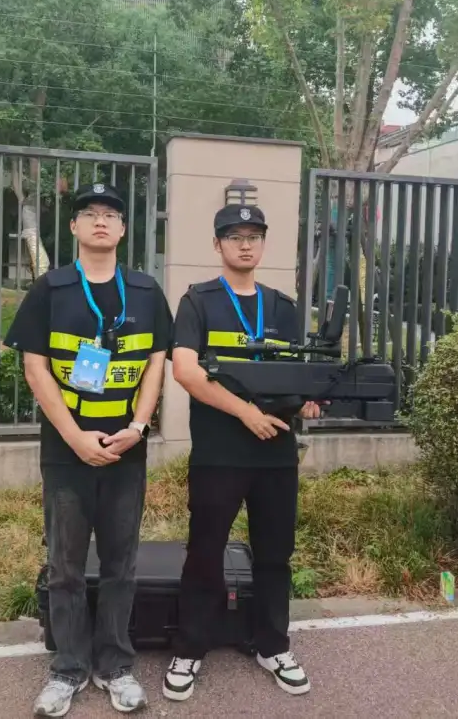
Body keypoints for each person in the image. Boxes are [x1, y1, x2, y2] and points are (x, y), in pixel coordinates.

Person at [4, 183, 172, 717]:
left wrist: (139, 427)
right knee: (66, 566)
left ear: (122, 229)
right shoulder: (50, 290)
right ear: (74, 227)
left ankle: (115, 666)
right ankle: (69, 669)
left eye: (111, 214)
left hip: (126, 449)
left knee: (122, 563)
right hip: (65, 451)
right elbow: (36, 369)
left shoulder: (146, 292)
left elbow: (156, 364)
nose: (101, 221)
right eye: (90, 213)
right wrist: (76, 437)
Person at [162, 204, 320, 703]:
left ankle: (273, 645)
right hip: (220, 453)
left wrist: (309, 400)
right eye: (234, 236)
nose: (245, 244)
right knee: (205, 552)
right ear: (218, 245)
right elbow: (186, 371)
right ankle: (190, 648)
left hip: (276, 455)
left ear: (263, 244)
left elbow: (295, 375)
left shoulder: (283, 307)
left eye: (254, 236)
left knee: (275, 555)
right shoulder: (198, 302)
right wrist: (245, 413)